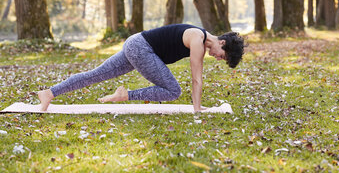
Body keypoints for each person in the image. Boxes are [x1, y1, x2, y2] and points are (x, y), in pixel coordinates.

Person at [38, 24, 245, 112]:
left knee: (96, 74)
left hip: (136, 43)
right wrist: (197, 110)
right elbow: (196, 78)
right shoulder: (198, 40)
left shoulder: (201, 38)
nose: (219, 59)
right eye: (223, 56)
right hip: (141, 48)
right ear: (223, 43)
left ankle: (49, 93)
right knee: (174, 91)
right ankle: (125, 95)